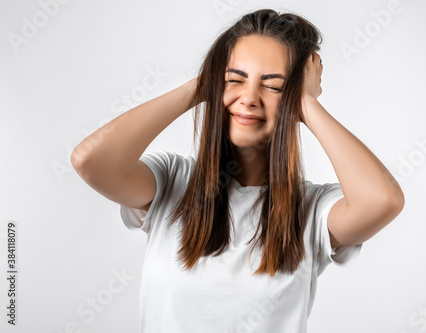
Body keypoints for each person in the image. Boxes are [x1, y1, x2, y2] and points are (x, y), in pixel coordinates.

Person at [71, 8, 404, 333]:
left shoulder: (313, 209)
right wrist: (203, 85)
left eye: (274, 86)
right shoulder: (172, 180)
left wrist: (304, 101)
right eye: (234, 80)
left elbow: (382, 200)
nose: (249, 98)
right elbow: (90, 161)